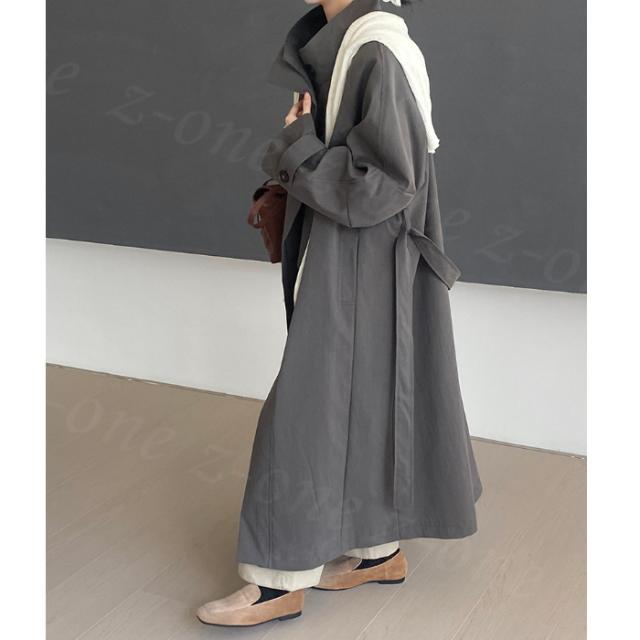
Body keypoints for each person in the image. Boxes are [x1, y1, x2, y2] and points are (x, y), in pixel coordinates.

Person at [197, 0, 482, 627]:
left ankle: (277, 579)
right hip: (367, 264)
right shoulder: (350, 42)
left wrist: (296, 149)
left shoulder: (377, 49)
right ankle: (377, 550)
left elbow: (384, 184)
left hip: (360, 264)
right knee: (366, 400)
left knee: (306, 412)